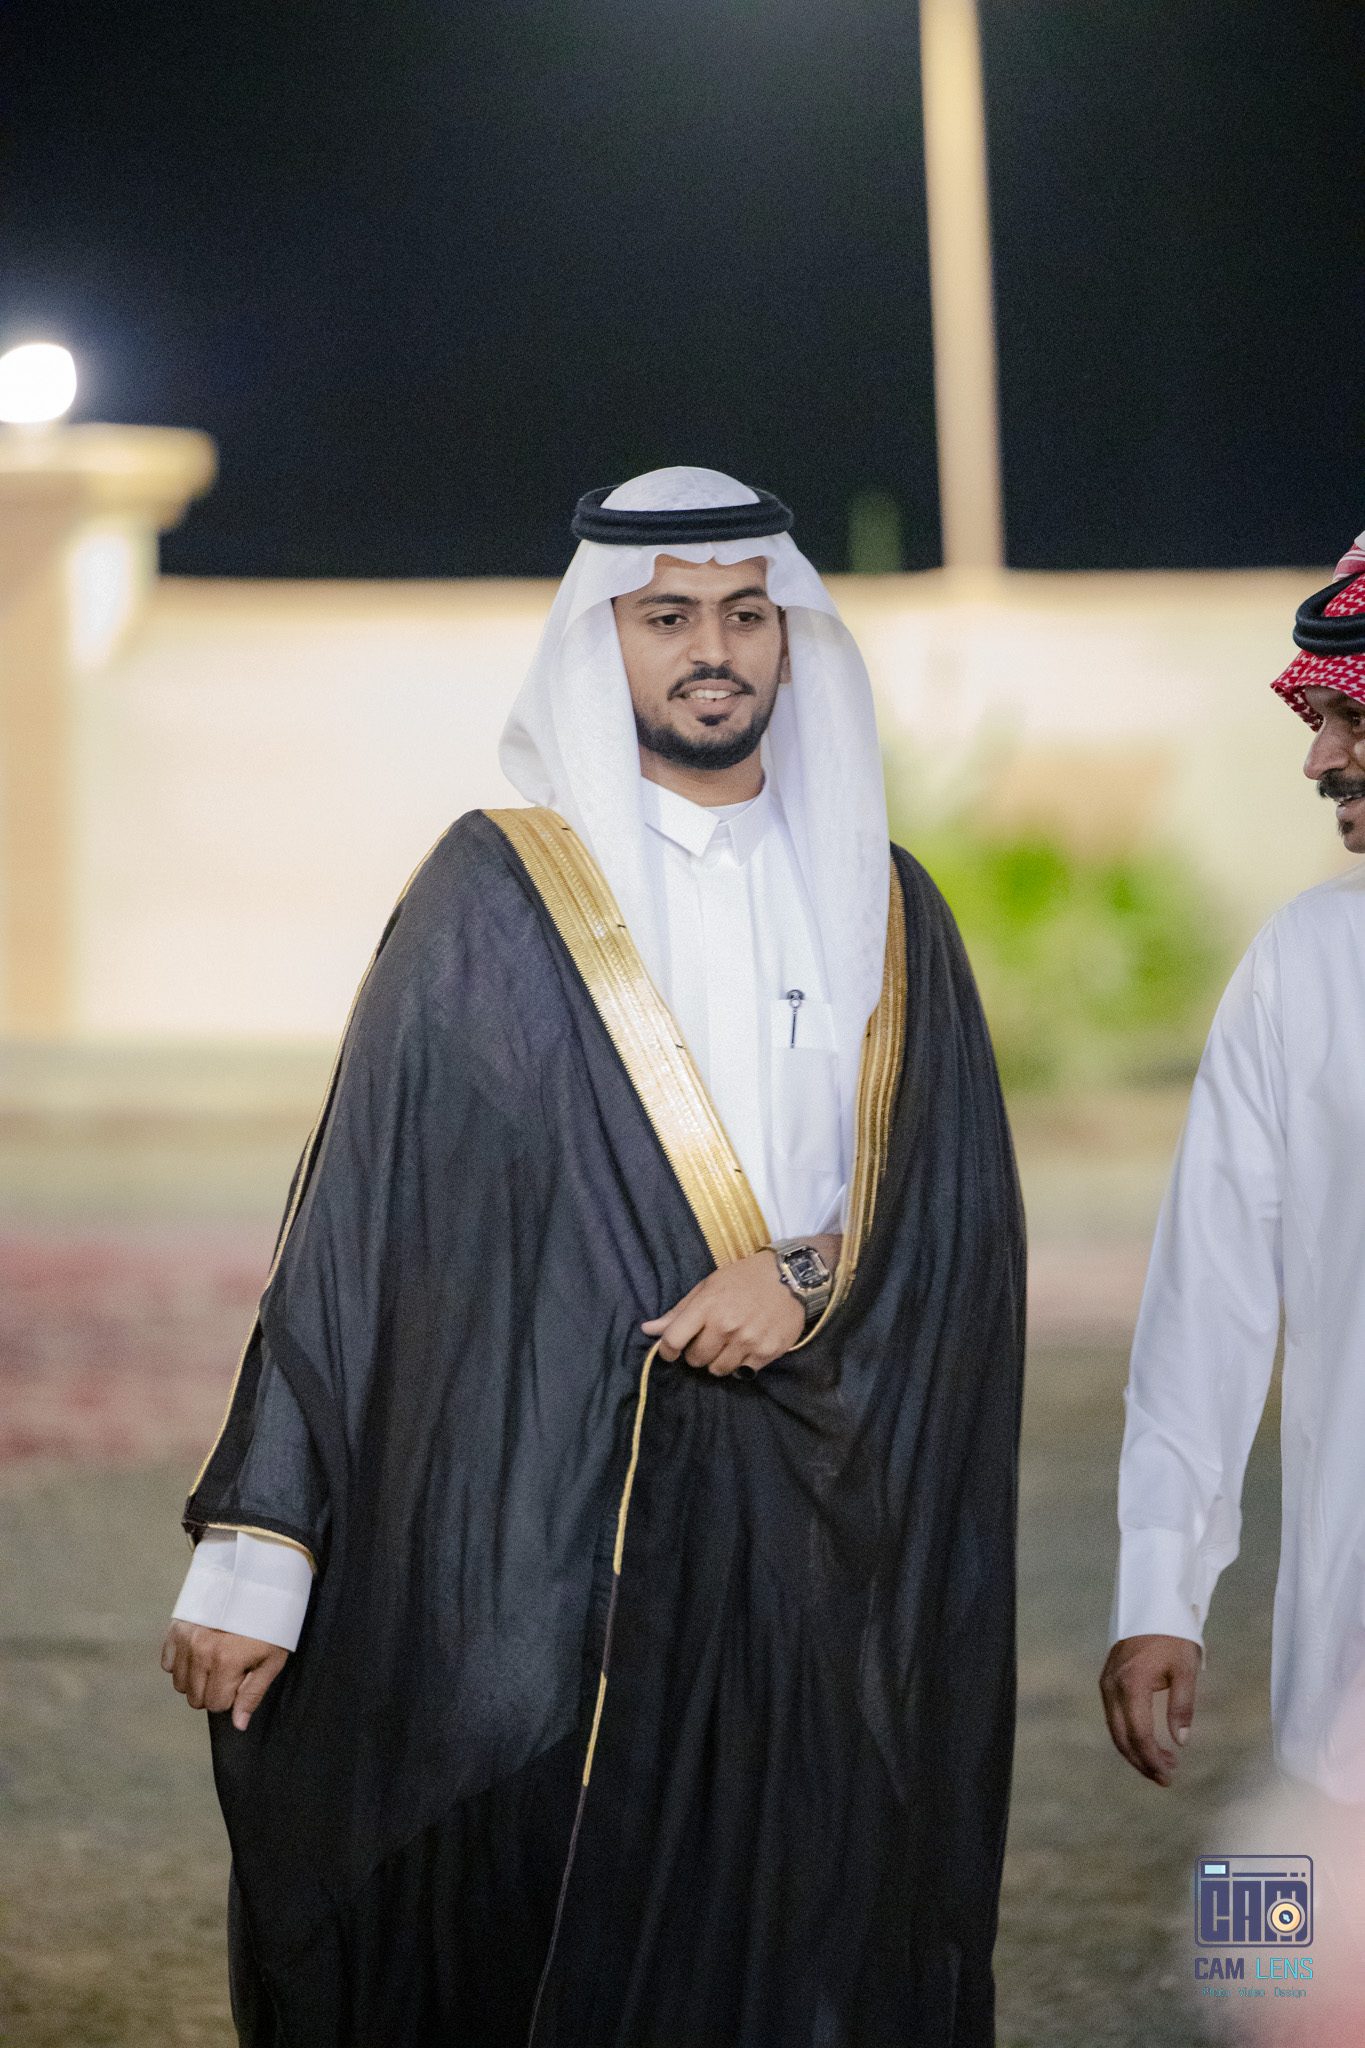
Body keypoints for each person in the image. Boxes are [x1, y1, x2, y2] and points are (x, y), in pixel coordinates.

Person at [161, 467, 1025, 2047]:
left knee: (805, 1921)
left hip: (817, 1516)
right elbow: (365, 1216)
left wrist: (807, 1281)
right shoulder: (492, 899)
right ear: (599, 644)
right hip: (550, 1523)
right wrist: (259, 1552)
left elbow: (957, 1217)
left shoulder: (893, 913)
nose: (714, 650)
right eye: (667, 618)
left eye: (746, 616)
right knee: (531, 1904)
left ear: (790, 641)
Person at [1101, 529, 1365, 1800]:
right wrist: (1162, 1585)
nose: (1319, 756)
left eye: (1353, 718)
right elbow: (1210, 1298)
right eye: (1324, 719)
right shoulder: (1302, 967)